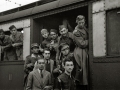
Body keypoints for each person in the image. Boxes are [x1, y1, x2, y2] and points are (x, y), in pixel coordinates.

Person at [73, 15, 88, 90]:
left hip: (84, 50)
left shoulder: (85, 28)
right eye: (79, 23)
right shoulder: (76, 32)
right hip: (80, 51)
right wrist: (89, 41)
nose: (81, 24)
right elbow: (82, 44)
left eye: (82, 22)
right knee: (82, 68)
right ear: (77, 22)